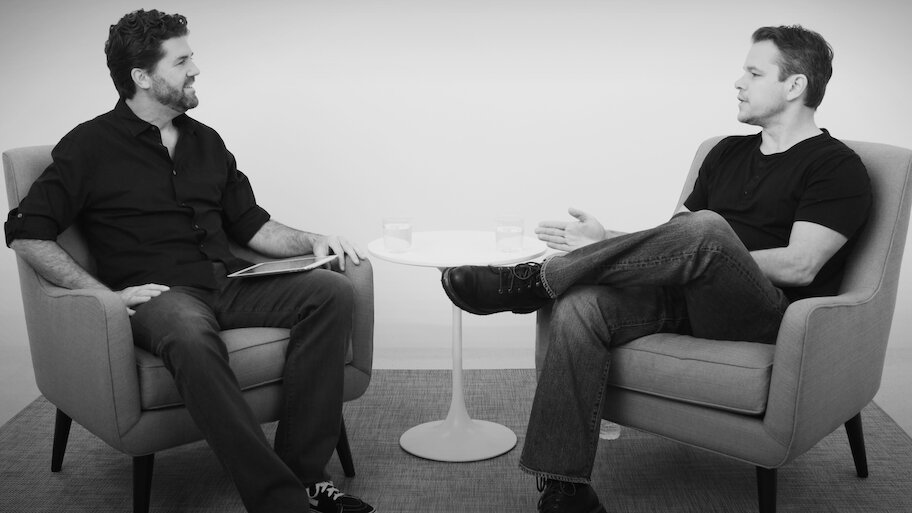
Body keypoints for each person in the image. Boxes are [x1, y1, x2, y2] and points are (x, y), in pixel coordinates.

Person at [441, 25, 871, 513]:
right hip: (688, 301)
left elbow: (801, 264)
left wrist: (716, 256)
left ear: (795, 85)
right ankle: (565, 488)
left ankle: (536, 281)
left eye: (754, 73)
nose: (738, 82)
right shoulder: (726, 152)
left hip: (767, 317)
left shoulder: (836, 166)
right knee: (582, 304)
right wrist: (605, 240)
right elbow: (674, 243)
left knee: (708, 230)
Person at [4, 9, 374, 513]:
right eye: (181, 62)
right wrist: (103, 296)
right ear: (142, 77)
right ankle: (278, 501)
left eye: (191, 57)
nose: (195, 69)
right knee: (189, 334)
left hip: (228, 281)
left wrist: (315, 240)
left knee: (331, 292)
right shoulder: (89, 146)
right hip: (160, 296)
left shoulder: (205, 141)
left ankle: (306, 475)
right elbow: (27, 232)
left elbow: (251, 226)